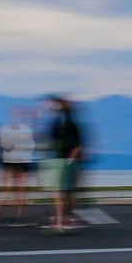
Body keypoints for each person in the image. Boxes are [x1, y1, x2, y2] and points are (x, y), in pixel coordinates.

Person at [44, 95, 83, 233]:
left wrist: (69, 160)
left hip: (62, 160)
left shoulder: (66, 122)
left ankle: (61, 222)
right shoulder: (62, 122)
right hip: (61, 159)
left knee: (60, 192)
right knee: (65, 192)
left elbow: (77, 144)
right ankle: (64, 219)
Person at [0, 107, 35, 225]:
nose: (17, 116)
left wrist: (19, 145)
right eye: (15, 114)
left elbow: (31, 145)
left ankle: (17, 216)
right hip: (9, 161)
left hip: (22, 161)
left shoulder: (26, 129)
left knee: (21, 190)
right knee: (7, 188)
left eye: (19, 114)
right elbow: (5, 145)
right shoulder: (5, 129)